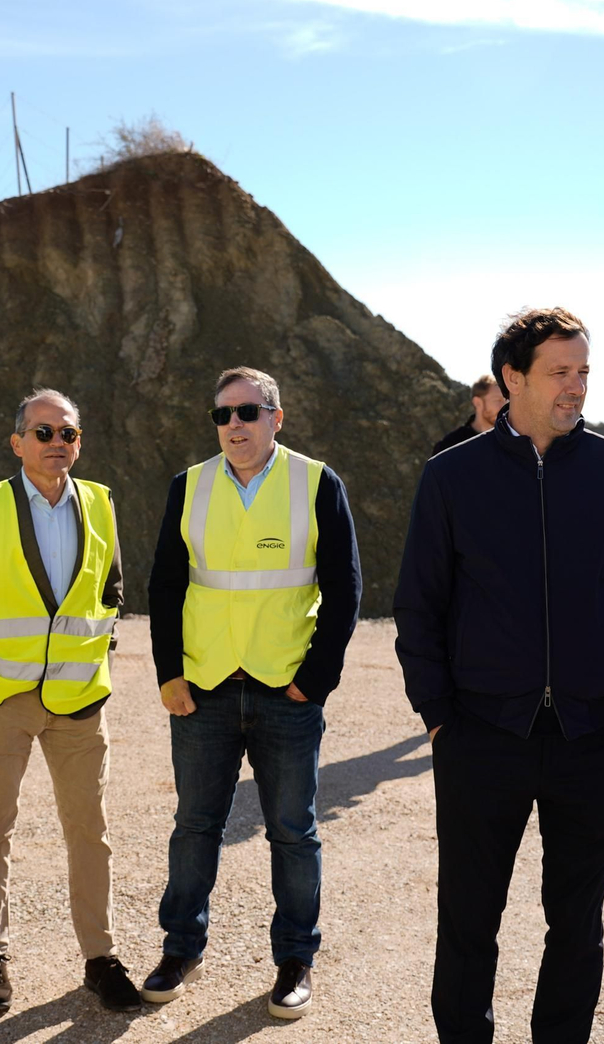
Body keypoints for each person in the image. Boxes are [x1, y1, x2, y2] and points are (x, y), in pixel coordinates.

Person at [393, 307, 604, 1044]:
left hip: (600, 738)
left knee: (576, 924)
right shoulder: (452, 477)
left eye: (583, 371)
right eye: (560, 371)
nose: (576, 386)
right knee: (467, 923)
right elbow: (419, 605)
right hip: (482, 734)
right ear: (511, 378)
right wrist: (438, 716)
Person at [143, 366, 361, 1020]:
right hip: (203, 691)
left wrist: (314, 680)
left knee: (293, 832)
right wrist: (169, 674)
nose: (233, 425)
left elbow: (346, 591)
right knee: (193, 827)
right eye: (223, 415)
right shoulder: (190, 486)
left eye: (248, 412)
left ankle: (295, 960)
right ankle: (182, 948)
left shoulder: (318, 483)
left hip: (285, 693)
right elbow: (165, 588)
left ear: (276, 417)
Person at [0, 388, 141, 1014]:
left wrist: (98, 657)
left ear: (79, 442)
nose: (56, 444)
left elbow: (113, 590)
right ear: (18, 443)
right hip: (2, 698)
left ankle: (101, 959)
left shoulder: (100, 503)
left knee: (90, 834)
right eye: (42, 433)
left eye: (67, 433)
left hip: (79, 702)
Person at [431, 373, 507, 456]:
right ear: (478, 403)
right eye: (498, 401)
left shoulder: (509, 441)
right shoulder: (451, 445)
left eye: (506, 400)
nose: (504, 406)